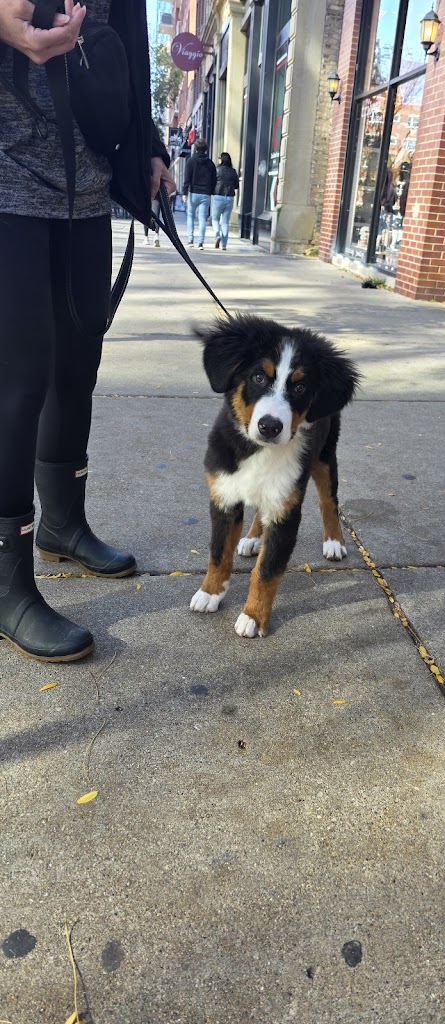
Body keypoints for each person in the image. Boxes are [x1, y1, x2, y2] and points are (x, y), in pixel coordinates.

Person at [0, 0, 175, 663]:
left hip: (87, 189)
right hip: (4, 184)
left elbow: (126, 48)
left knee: (77, 367)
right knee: (17, 383)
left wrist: (148, 145)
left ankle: (63, 523)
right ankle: (7, 583)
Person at [183, 138, 216, 250]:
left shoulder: (190, 161)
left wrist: (184, 192)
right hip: (205, 194)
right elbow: (214, 180)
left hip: (193, 193)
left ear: (195, 148)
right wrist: (211, 191)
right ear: (206, 149)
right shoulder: (210, 163)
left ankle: (190, 240)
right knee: (202, 218)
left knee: (190, 216)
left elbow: (187, 178)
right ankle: (200, 243)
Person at [211, 152, 239, 251]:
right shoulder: (233, 171)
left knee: (215, 219)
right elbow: (236, 185)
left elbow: (212, 182)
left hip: (218, 196)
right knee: (225, 221)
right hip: (230, 197)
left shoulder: (217, 170)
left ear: (222, 160)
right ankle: (224, 245)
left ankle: (217, 234)